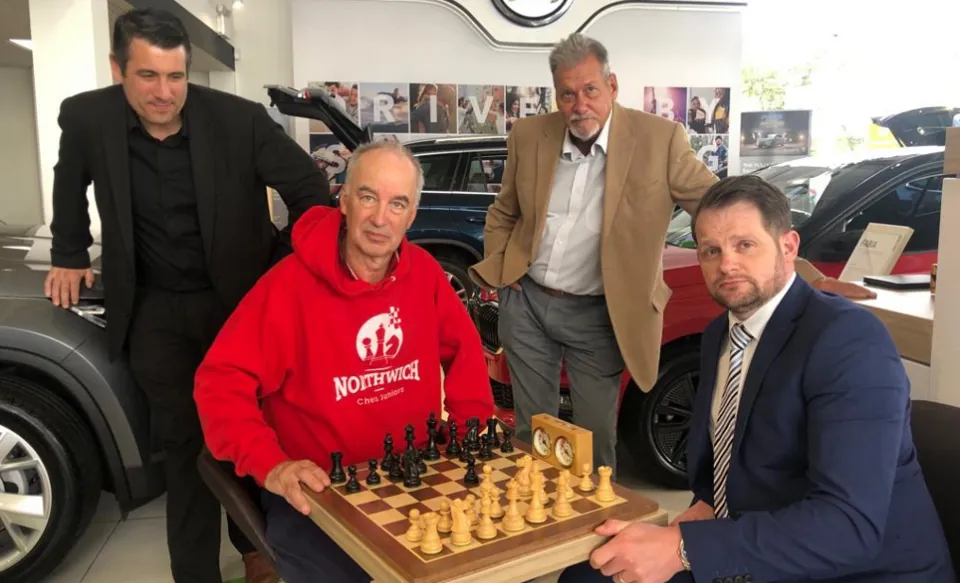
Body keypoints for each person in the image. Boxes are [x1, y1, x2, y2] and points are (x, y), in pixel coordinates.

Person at [468, 32, 873, 474]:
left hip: (601, 313)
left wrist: (806, 275)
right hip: (526, 300)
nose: (579, 104)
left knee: (596, 435)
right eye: (567, 94)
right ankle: (536, 520)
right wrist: (504, 274)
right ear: (556, 94)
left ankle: (593, 525)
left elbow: (723, 207)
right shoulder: (529, 135)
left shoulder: (659, 140)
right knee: (532, 427)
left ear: (613, 86)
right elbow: (503, 210)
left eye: (590, 90)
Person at [43, 8, 330, 583]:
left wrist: (292, 270)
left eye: (176, 77)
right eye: (148, 76)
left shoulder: (240, 121)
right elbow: (68, 180)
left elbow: (309, 188)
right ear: (117, 68)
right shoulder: (86, 117)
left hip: (240, 305)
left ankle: (257, 552)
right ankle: (196, 574)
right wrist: (68, 253)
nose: (164, 92)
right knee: (188, 445)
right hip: (153, 309)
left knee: (253, 428)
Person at [559, 175, 955, 583]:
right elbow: (735, 459)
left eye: (744, 245)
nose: (725, 263)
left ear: (788, 247)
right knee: (588, 575)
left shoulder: (849, 341)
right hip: (763, 546)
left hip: (856, 570)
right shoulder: (720, 334)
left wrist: (684, 549)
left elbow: (848, 526)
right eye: (710, 250)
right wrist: (702, 511)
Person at [193, 141, 496, 583]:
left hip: (416, 470)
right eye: (369, 197)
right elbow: (219, 382)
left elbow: (465, 352)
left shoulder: (426, 274)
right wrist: (270, 464)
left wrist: (469, 432)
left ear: (412, 216)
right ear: (344, 199)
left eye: (398, 204)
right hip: (320, 490)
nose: (380, 218)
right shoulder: (287, 286)